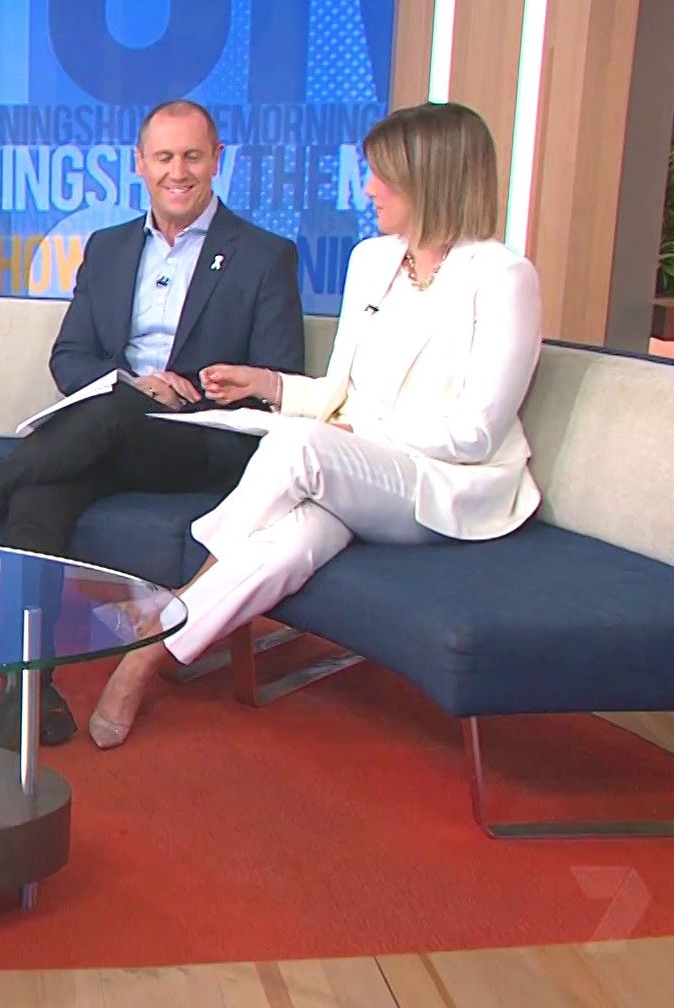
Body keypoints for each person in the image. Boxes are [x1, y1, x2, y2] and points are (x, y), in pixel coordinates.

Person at [86, 101, 543, 749]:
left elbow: (477, 432)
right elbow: (338, 394)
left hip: (445, 485)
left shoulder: (502, 277)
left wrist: (355, 440)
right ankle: (144, 661)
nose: (368, 188)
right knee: (290, 545)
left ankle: (171, 602)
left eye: (382, 175)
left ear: (429, 179)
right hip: (352, 470)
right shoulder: (373, 260)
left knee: (299, 443)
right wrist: (267, 385)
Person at [0, 99, 304, 748]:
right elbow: (69, 358)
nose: (177, 171)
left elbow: (278, 377)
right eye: (163, 157)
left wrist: (189, 392)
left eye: (192, 156)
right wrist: (134, 386)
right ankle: (25, 688)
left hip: (202, 440)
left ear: (217, 160)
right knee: (42, 493)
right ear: (139, 164)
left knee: (110, 414)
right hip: (109, 434)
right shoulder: (110, 247)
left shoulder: (265, 255)